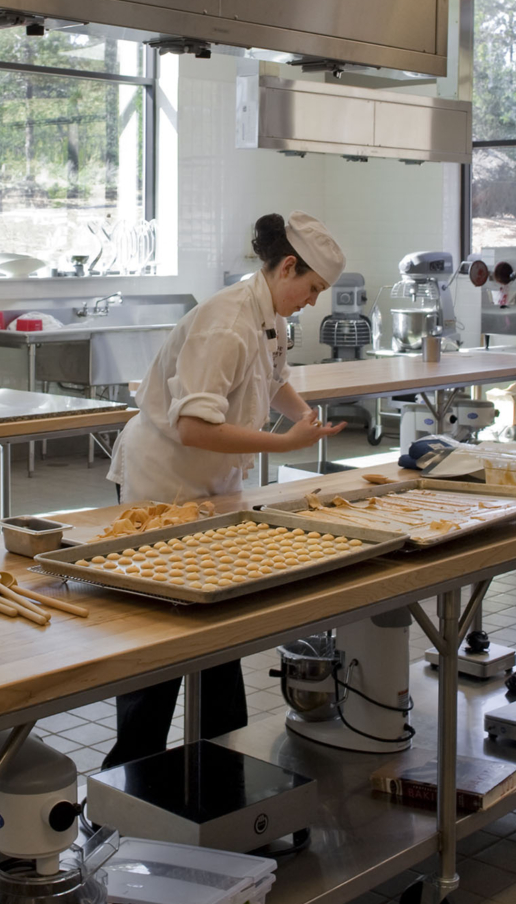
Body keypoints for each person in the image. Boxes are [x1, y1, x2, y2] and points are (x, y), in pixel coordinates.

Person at [99, 212, 348, 769]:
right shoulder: (226, 322)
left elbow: (273, 380)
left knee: (219, 625)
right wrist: (284, 444)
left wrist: (304, 417)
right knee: (158, 641)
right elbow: (193, 426)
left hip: (211, 483)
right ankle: (130, 774)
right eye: (312, 288)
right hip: (163, 484)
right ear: (288, 267)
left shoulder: (270, 316)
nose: (312, 301)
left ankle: (220, 761)